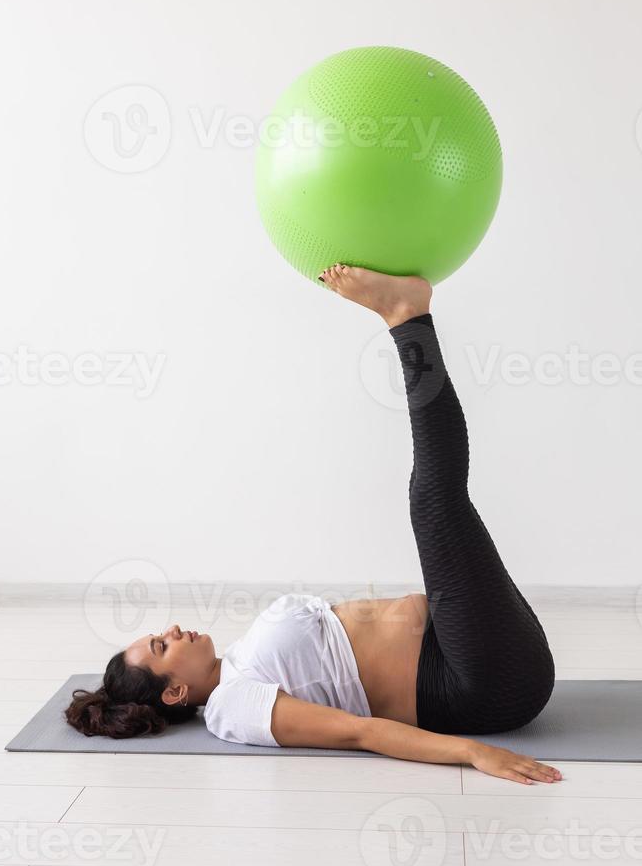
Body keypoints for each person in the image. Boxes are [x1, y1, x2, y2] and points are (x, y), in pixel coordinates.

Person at [66, 266, 560, 786]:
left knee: (437, 499)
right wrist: (473, 754)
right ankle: (407, 317)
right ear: (173, 693)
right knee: (433, 498)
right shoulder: (233, 708)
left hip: (466, 643)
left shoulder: (237, 661)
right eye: (162, 648)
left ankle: (407, 316)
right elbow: (357, 732)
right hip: (475, 683)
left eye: (159, 635)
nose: (170, 631)